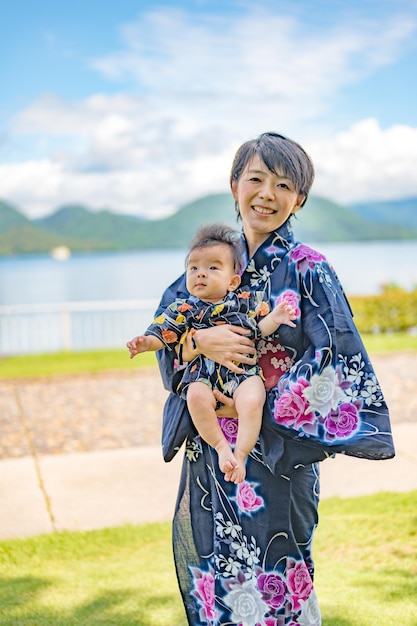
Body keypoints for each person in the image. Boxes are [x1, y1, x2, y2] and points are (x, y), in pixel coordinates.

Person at [148, 132, 395, 625]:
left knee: (283, 576)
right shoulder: (212, 262)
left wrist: (251, 403)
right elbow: (164, 334)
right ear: (235, 184)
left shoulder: (310, 270)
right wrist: (198, 344)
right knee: (220, 578)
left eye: (283, 184)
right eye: (256, 179)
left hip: (279, 456)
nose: (267, 193)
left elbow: (337, 360)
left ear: (299, 198)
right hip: (215, 457)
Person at [127, 223, 297, 484]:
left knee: (253, 399)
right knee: (195, 397)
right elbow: (164, 334)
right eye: (193, 268)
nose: (200, 274)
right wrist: (145, 343)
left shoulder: (244, 303)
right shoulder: (183, 308)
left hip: (242, 372)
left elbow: (259, 330)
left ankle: (240, 454)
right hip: (203, 376)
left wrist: (276, 316)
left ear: (233, 281)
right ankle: (220, 446)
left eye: (212, 268)